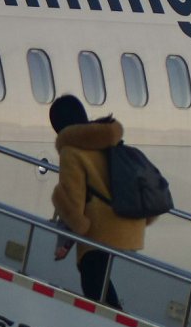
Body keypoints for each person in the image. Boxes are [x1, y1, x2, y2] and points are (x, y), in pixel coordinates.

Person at [44, 97, 144, 306]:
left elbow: (73, 199)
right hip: (116, 219)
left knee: (93, 282)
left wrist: (64, 242)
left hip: (97, 226)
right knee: (98, 280)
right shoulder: (101, 139)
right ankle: (116, 323)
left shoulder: (72, 149)